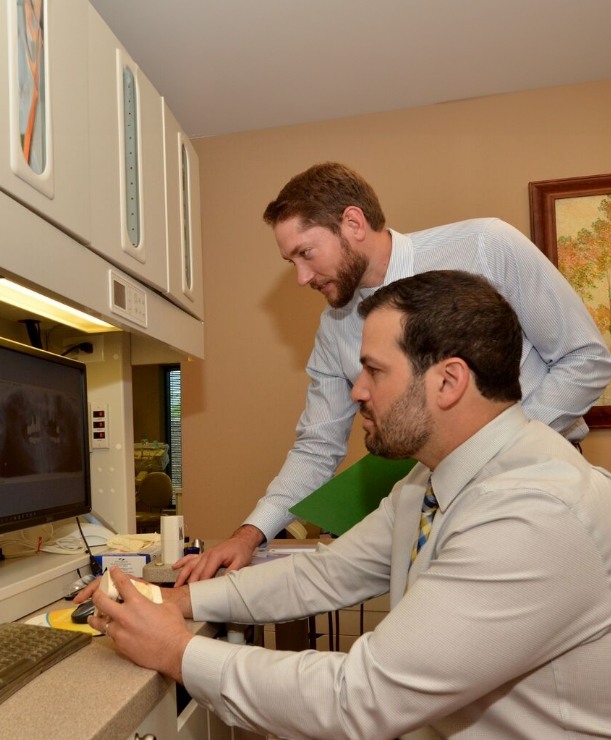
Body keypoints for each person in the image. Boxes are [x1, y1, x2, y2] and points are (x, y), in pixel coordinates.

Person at [84, 271, 611, 739]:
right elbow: (324, 575)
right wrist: (179, 601)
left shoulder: (533, 512)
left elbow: (361, 699)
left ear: (448, 381)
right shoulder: (428, 481)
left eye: (374, 371)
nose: (357, 391)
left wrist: (177, 651)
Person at [174, 162, 611, 583]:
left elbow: (586, 358)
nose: (302, 277)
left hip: (537, 483)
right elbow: (317, 446)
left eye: (306, 253)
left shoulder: (485, 246)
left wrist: (490, 454)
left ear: (353, 223)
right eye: (292, 262)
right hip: (433, 496)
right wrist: (251, 534)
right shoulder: (333, 328)